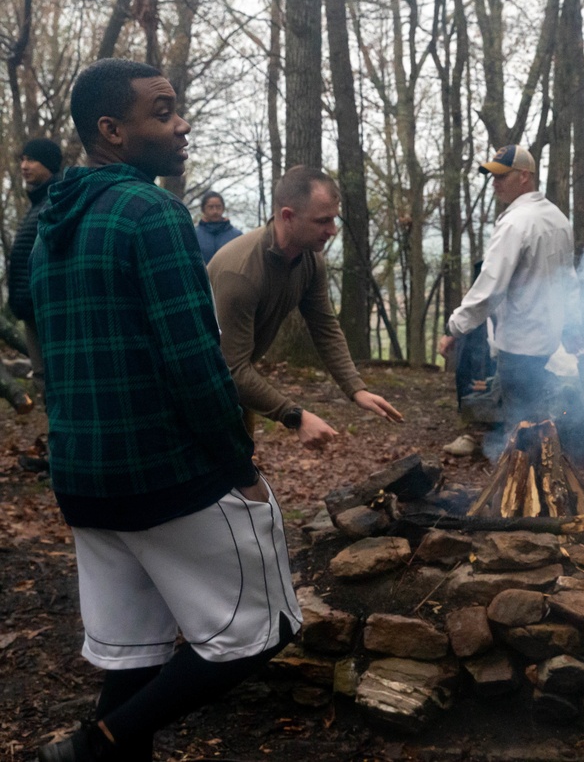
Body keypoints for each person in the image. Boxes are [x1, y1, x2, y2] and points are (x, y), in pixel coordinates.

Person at [30, 58, 301, 762]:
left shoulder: (44, 226)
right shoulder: (152, 213)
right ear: (111, 130)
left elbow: (43, 329)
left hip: (81, 478)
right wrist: (239, 467)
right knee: (263, 628)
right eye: (163, 111)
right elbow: (194, 360)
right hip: (160, 475)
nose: (182, 124)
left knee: (134, 657)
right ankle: (99, 742)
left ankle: (107, 743)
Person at [207, 165, 402, 448]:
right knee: (218, 483)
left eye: (334, 220)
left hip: (232, 388)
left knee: (242, 474)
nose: (332, 230)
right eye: (323, 221)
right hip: (194, 393)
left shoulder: (310, 260)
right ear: (288, 216)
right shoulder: (241, 273)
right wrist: (295, 416)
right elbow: (231, 369)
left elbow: (325, 327)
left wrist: (355, 388)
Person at [437, 144, 579, 439]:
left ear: (524, 176)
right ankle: (540, 475)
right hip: (547, 342)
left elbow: (490, 288)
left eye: (502, 176)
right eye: (493, 176)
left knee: (522, 427)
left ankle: (529, 479)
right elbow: (570, 283)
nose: (495, 183)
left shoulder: (516, 223)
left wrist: (455, 328)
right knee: (537, 419)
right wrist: (570, 328)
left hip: (520, 345)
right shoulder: (558, 219)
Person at [7, 137, 62, 393]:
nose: (24, 165)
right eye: (22, 160)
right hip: (33, 310)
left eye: (31, 159)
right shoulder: (38, 202)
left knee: (53, 381)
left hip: (47, 310)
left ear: (48, 164)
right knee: (43, 380)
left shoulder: (56, 201)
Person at [194, 189, 242, 263]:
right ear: (203, 209)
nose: (215, 211)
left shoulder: (237, 236)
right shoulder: (193, 235)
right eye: (210, 207)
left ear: (223, 208)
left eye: (218, 207)